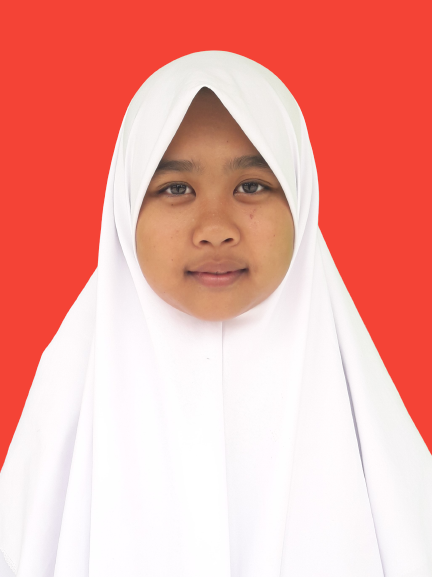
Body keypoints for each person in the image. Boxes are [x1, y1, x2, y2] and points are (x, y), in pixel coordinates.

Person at [0, 51, 431, 577]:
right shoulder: (65, 396)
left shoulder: (367, 418)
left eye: (251, 186)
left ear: (301, 199)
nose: (215, 228)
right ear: (125, 206)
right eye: (176, 189)